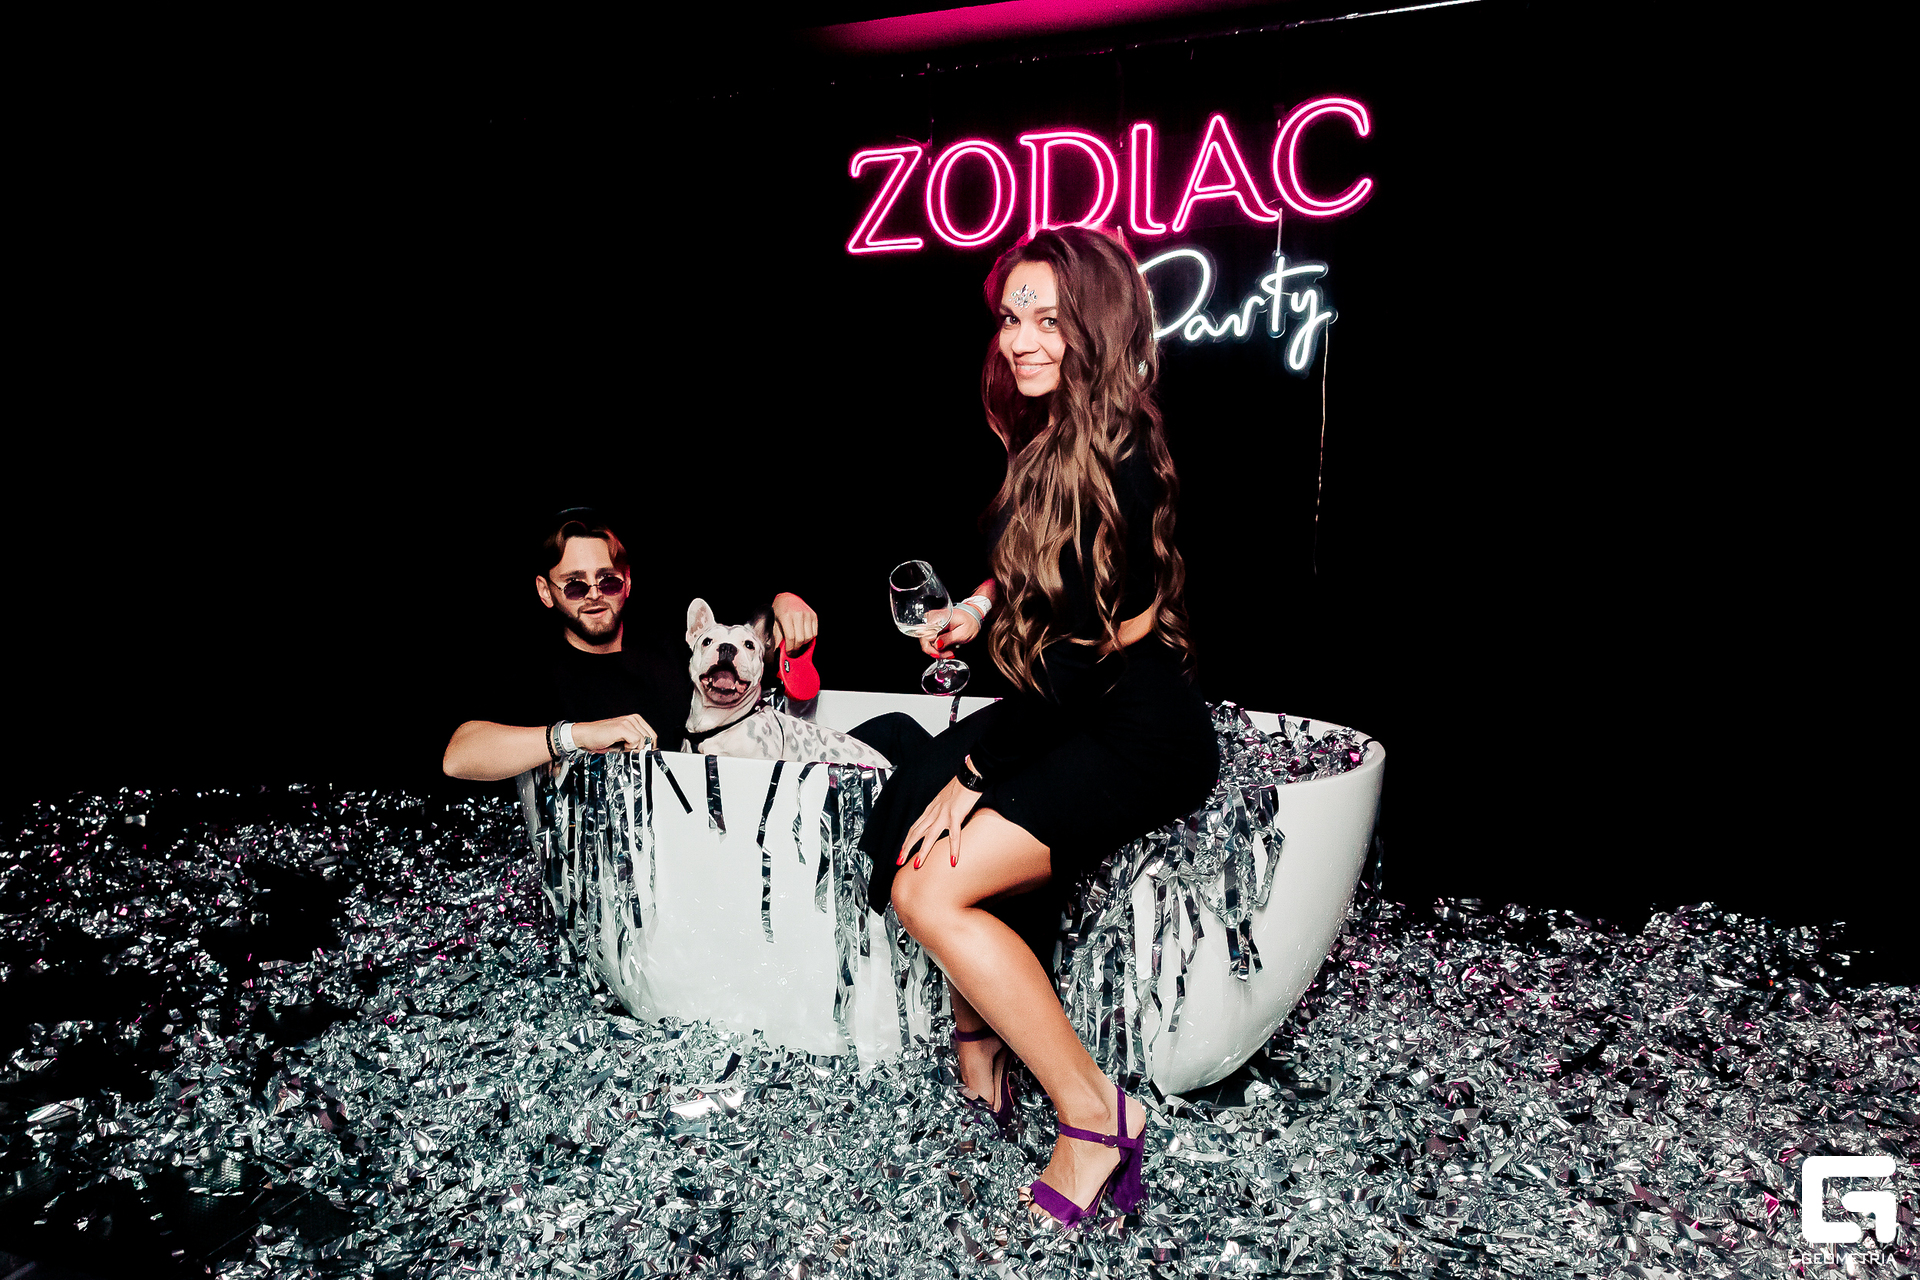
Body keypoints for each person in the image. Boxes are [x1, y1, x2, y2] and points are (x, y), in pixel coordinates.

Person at [860, 226, 1218, 1225]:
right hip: (1060, 706)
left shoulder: (1121, 458)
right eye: (1013, 316)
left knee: (928, 887)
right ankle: (980, 1049)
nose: (1020, 338)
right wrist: (980, 607)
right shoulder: (1054, 434)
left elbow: (1083, 662)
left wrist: (976, 771)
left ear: (1094, 328)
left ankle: (1095, 1114)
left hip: (1131, 727)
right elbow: (1035, 567)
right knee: (906, 816)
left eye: (1049, 320)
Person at [442, 510, 823, 782]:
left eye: (607, 581)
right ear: (546, 591)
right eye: (574, 585)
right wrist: (577, 735)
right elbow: (458, 757)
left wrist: (785, 601)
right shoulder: (535, 671)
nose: (594, 595)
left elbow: (746, 641)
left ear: (626, 582)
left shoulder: (674, 646)